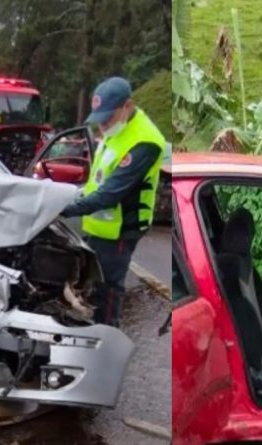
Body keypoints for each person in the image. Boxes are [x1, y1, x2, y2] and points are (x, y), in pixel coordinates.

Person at [61, 77, 166, 327]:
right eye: (100, 119)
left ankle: (108, 339)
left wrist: (65, 208)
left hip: (120, 230)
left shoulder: (144, 141)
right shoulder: (115, 132)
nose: (103, 125)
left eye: (107, 118)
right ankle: (93, 330)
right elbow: (96, 182)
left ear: (127, 106)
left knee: (108, 289)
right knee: (92, 285)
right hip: (99, 226)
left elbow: (110, 193)